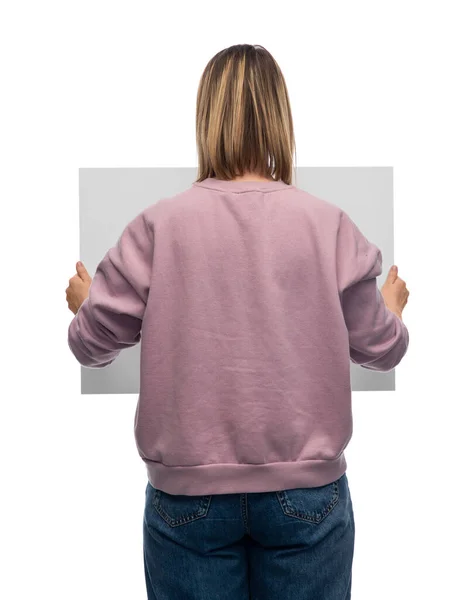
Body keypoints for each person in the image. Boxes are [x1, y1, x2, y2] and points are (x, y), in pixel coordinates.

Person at [66, 44, 410, 600]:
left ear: (206, 118)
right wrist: (391, 306)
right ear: (281, 119)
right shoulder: (329, 225)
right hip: (308, 496)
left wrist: (86, 300)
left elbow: (91, 343)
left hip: (187, 498)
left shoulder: (158, 226)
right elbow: (382, 348)